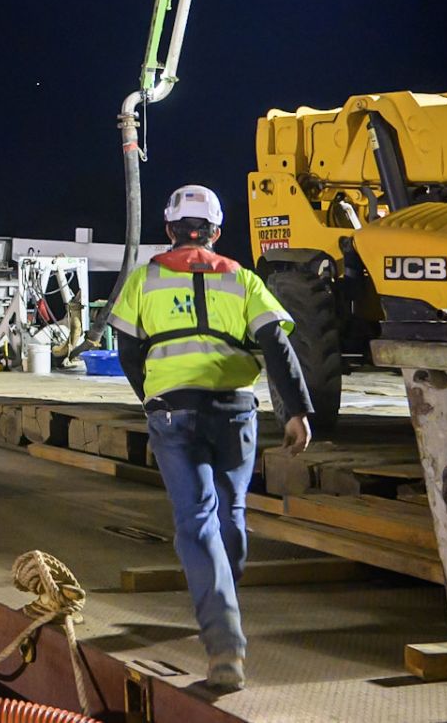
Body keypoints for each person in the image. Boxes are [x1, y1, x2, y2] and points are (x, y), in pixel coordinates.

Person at [106, 184, 313, 693]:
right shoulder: (242, 279)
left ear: (170, 229)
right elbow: (277, 345)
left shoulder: (144, 280)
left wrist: (152, 397)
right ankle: (223, 598)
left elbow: (128, 349)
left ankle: (224, 644)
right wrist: (297, 412)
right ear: (216, 232)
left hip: (174, 413)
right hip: (234, 412)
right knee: (231, 514)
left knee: (197, 524)